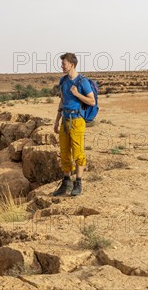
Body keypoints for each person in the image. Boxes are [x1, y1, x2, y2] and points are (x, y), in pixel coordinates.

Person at [53, 53, 96, 196]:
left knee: (78, 153)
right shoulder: (63, 81)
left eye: (63, 63)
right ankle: (66, 182)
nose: (61, 66)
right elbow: (62, 101)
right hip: (65, 119)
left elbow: (91, 101)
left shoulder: (82, 81)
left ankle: (78, 183)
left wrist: (77, 94)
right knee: (64, 152)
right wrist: (57, 120)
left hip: (77, 121)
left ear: (72, 64)